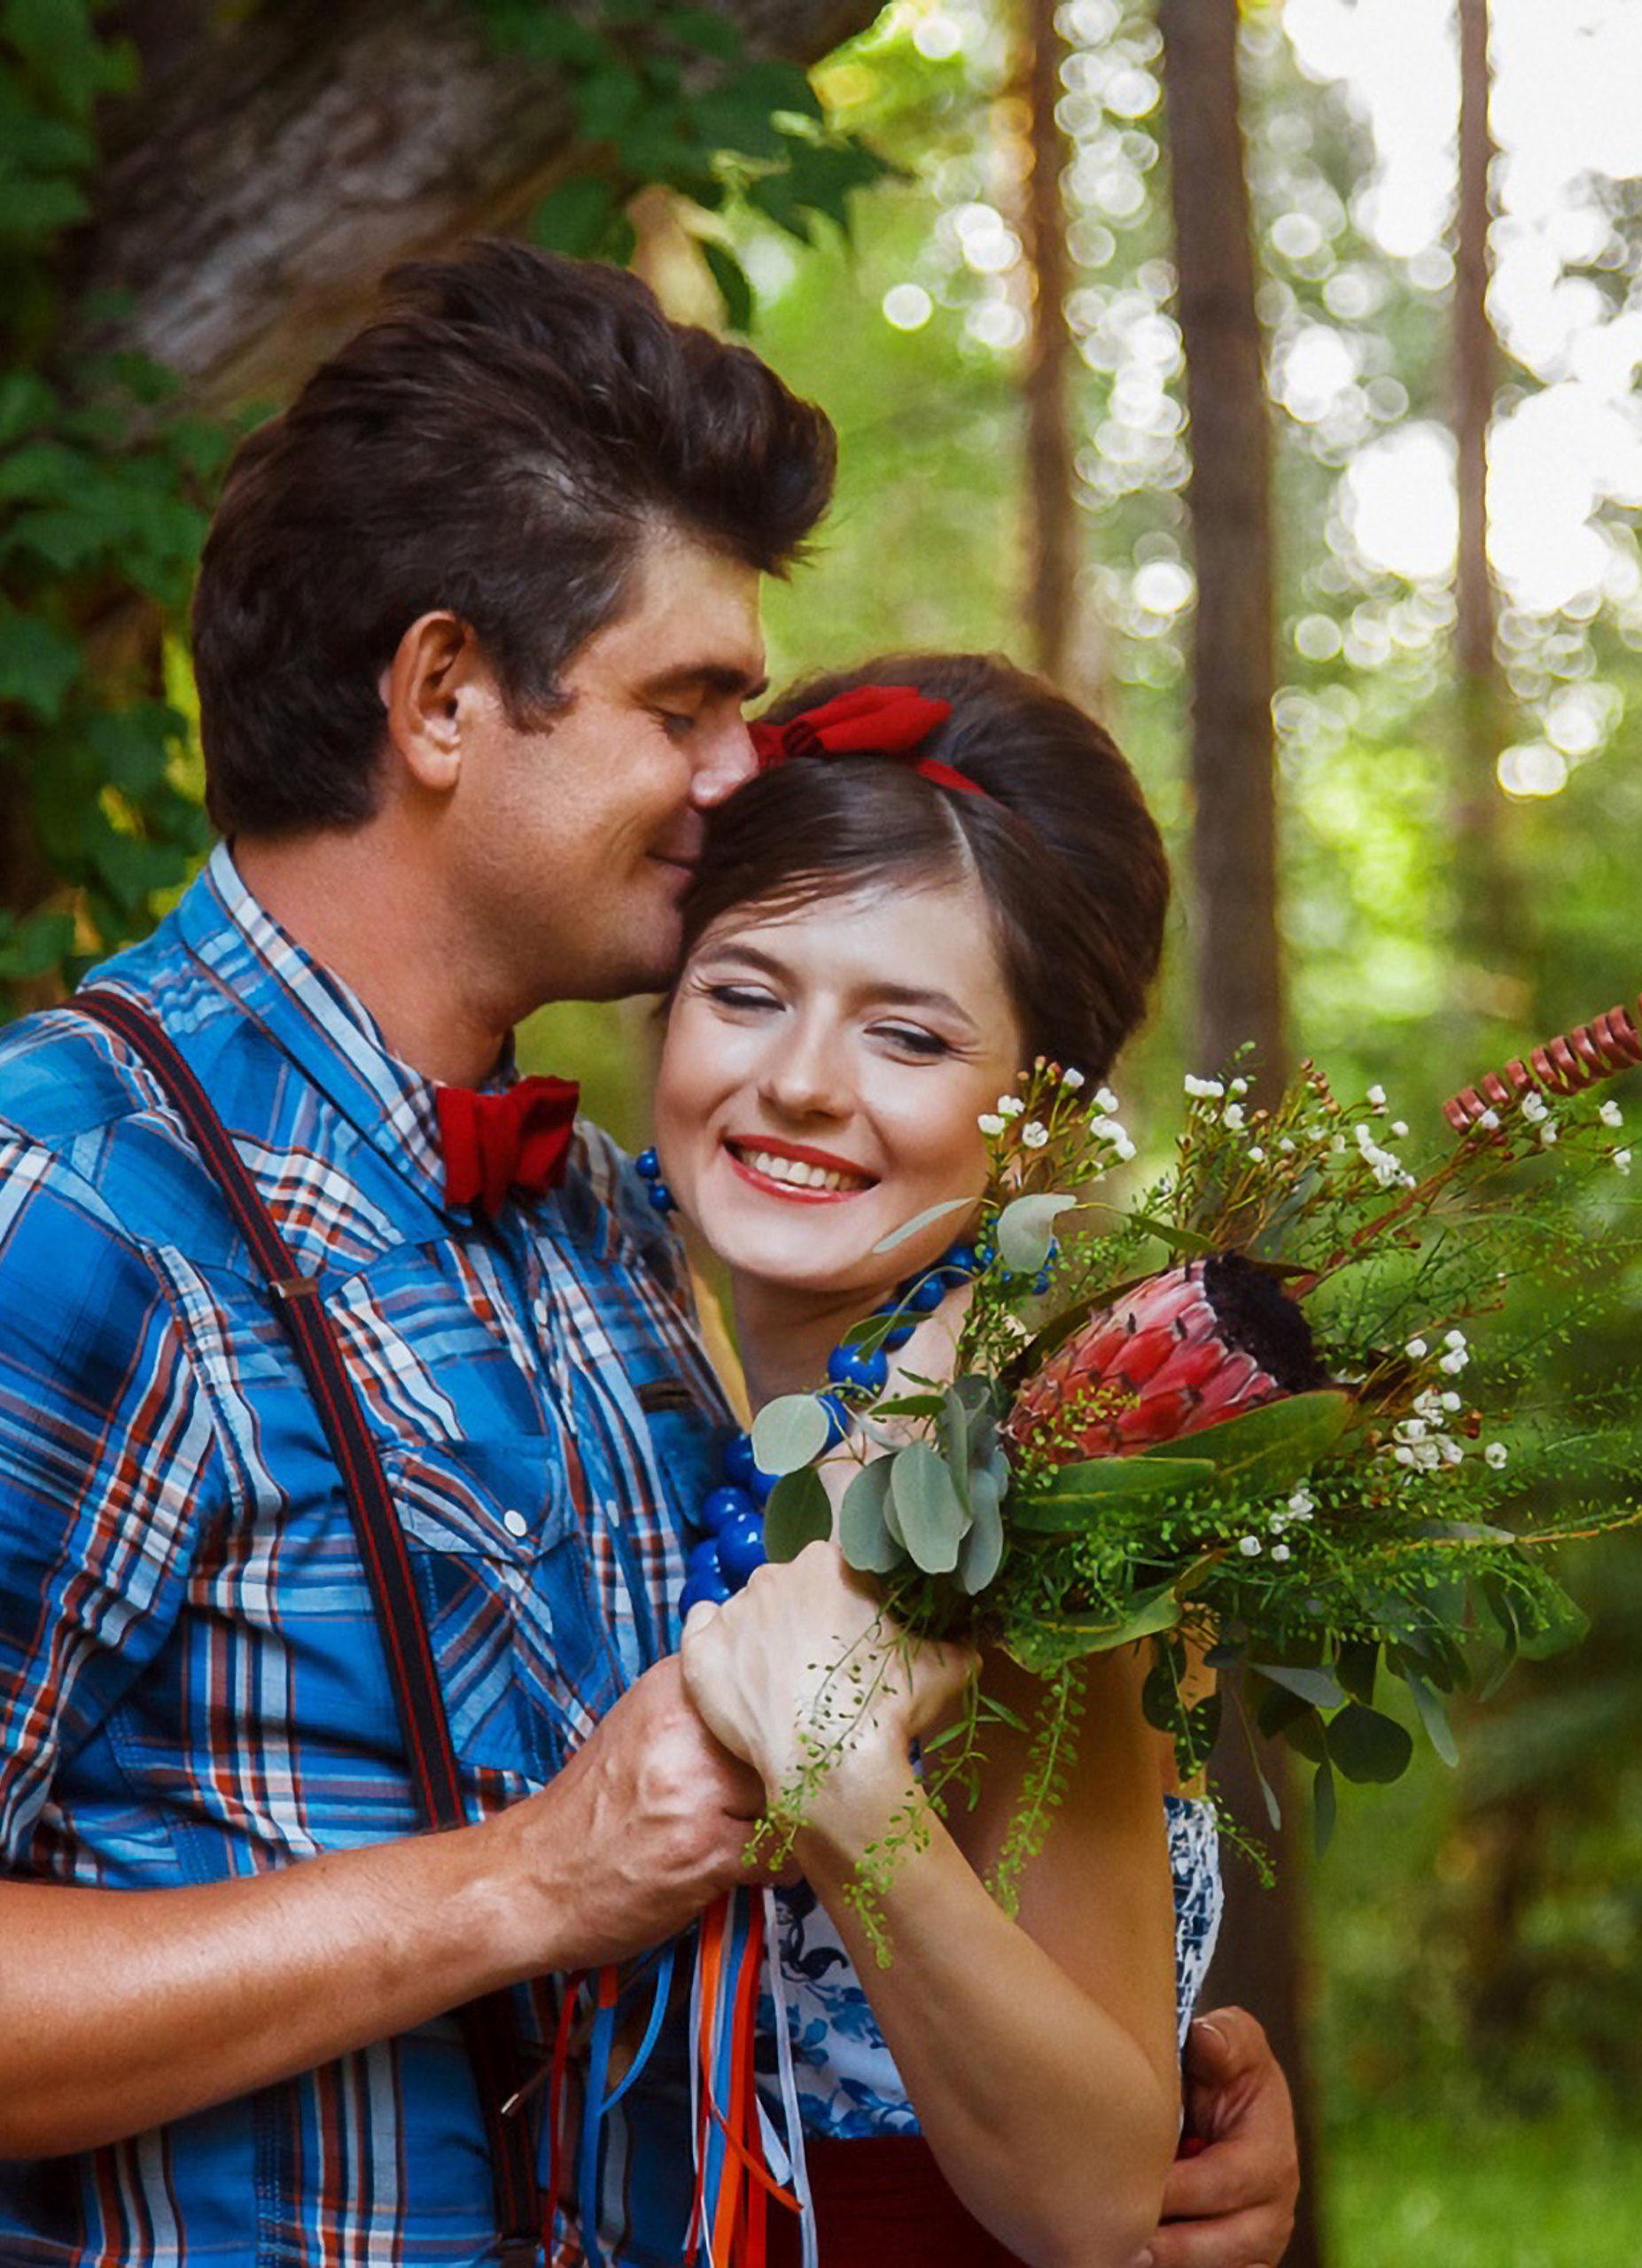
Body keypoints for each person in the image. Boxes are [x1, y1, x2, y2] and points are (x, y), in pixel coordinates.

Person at [0, 241, 1296, 2267]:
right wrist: (517, 1880)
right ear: (441, 699)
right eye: (688, 705)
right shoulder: (77, 1199)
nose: (736, 777)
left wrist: (1135, 2124)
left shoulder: (612, 1235)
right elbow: (582, 1865)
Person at [642, 653, 1217, 2265]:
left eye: (907, 1035)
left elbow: (1102, 2189)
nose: (802, 1081)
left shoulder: (1018, 1487)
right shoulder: (630, 1332)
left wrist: (844, 1783)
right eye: (745, 991)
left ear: (1038, 1119)